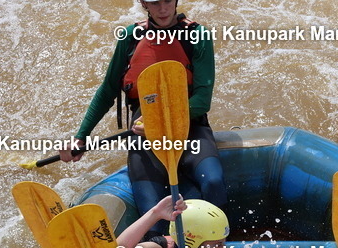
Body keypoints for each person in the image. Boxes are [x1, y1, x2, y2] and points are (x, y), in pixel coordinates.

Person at [59, 0, 226, 234]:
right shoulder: (131, 36)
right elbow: (107, 91)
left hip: (190, 127)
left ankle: (216, 246)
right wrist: (81, 137)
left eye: (168, 0)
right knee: (154, 218)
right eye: (154, 3)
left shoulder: (198, 35)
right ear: (144, 3)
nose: (163, 9)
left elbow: (202, 99)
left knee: (213, 182)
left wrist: (160, 124)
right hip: (143, 133)